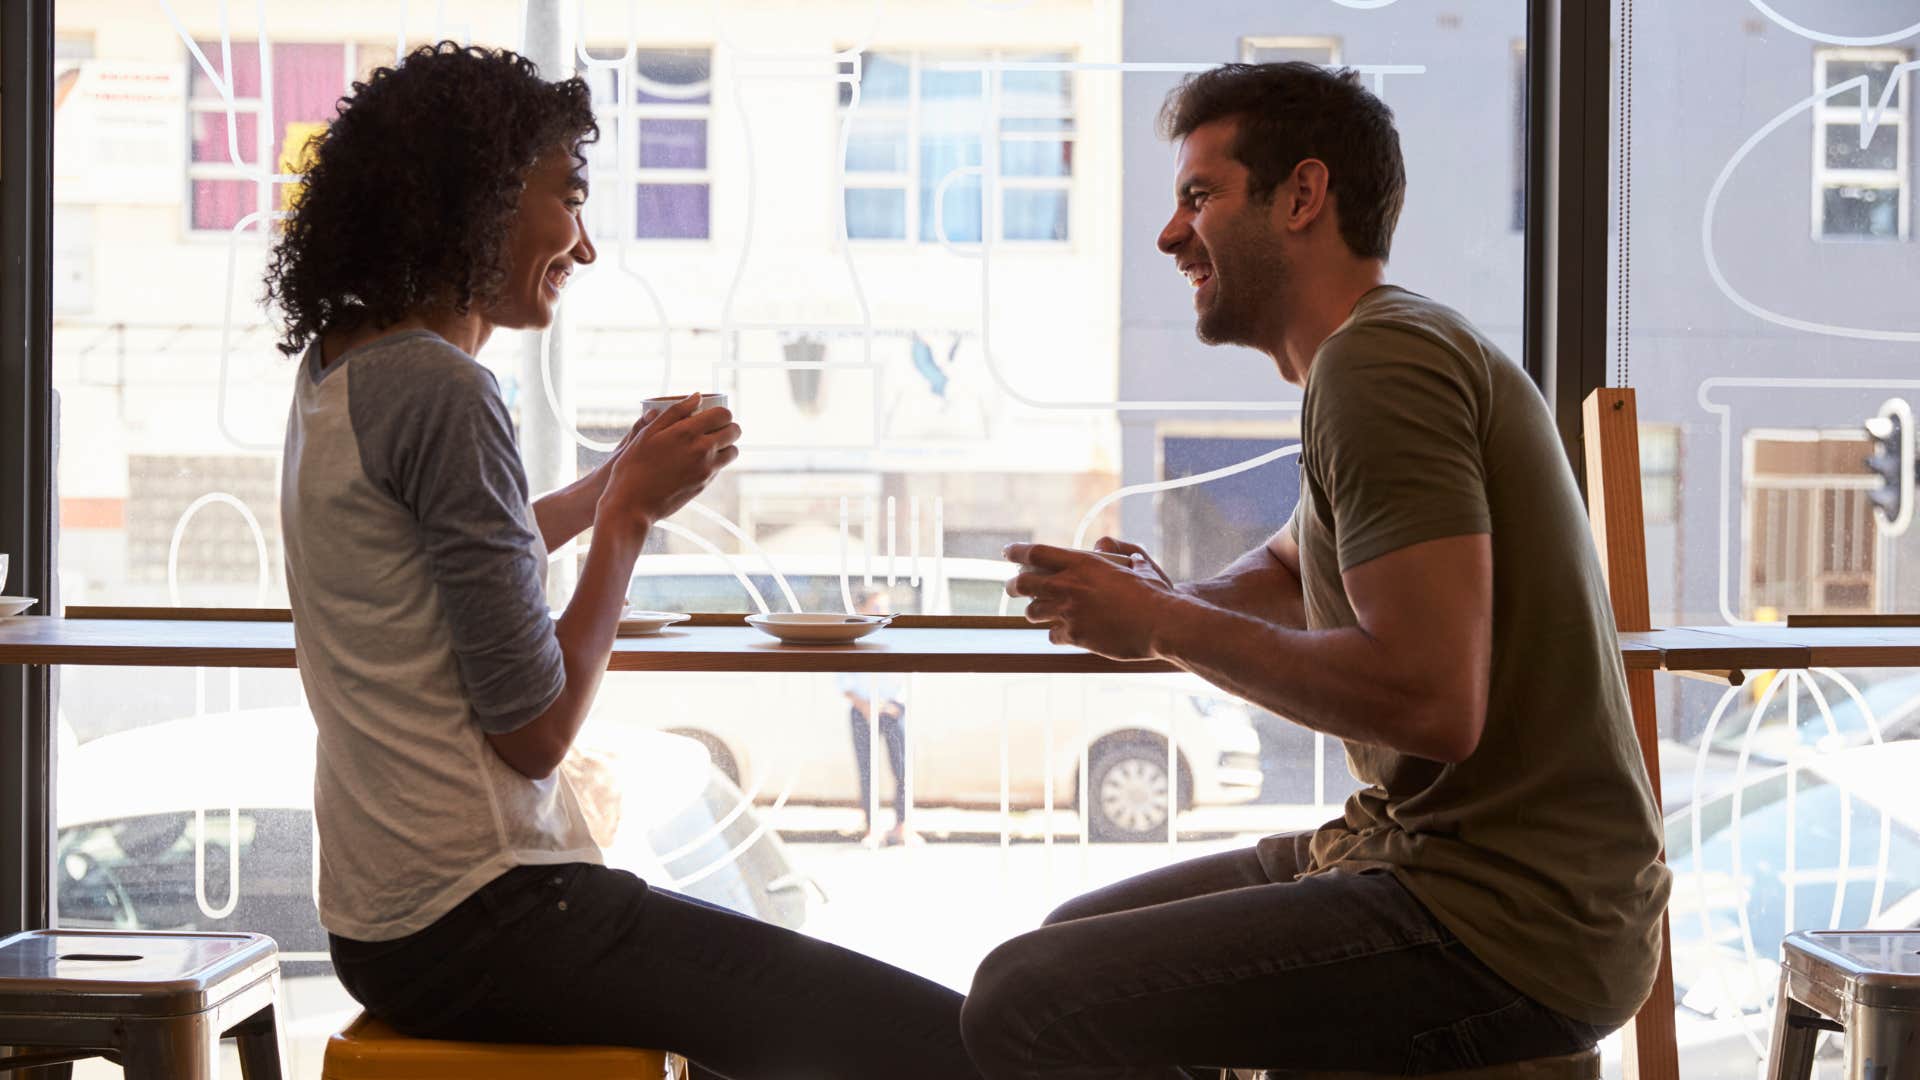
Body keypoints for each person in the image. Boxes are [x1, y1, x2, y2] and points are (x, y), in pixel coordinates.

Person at [271, 43, 977, 1079]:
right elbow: (535, 734)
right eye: (571, 198)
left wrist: (608, 481)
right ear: (482, 195)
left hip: (384, 929)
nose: (585, 246)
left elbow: (454, 558)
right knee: (937, 1039)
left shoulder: (338, 369)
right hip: (494, 916)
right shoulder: (446, 394)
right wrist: (630, 522)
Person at [965, 62, 1670, 1077]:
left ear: (1302, 196)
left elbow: (1433, 700)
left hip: (1509, 920)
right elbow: (1296, 567)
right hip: (1416, 856)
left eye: (1199, 197)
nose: (1171, 236)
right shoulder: (1379, 354)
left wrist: (1164, 628)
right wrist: (1162, 598)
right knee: (1063, 943)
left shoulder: (1378, 368)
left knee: (1029, 1005)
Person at [837, 588, 919, 847]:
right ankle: (872, 829)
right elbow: (844, 681)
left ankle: (903, 826)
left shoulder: (899, 637)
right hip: (863, 712)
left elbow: (909, 674)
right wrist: (865, 705)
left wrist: (896, 704)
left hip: (893, 711)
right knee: (867, 771)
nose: (882, 613)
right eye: (875, 608)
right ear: (861, 609)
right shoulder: (850, 638)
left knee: (902, 770)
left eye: (885, 607)